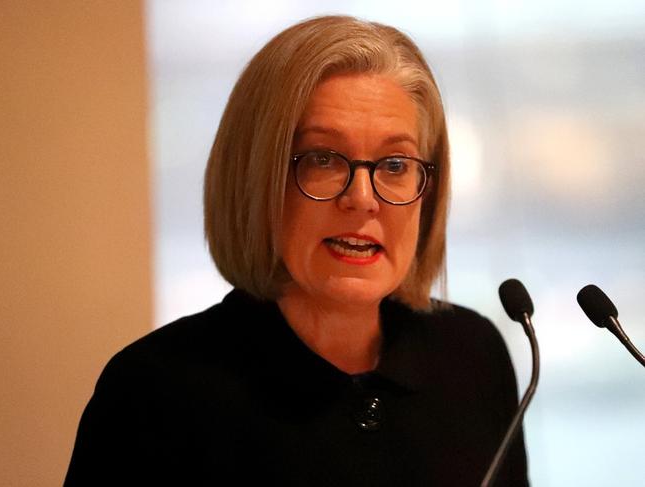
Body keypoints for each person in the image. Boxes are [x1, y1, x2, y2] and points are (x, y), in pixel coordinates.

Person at [65, 15, 529, 486]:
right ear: (256, 177)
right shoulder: (153, 392)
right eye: (323, 159)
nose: (363, 198)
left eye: (394, 164)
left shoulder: (473, 355)